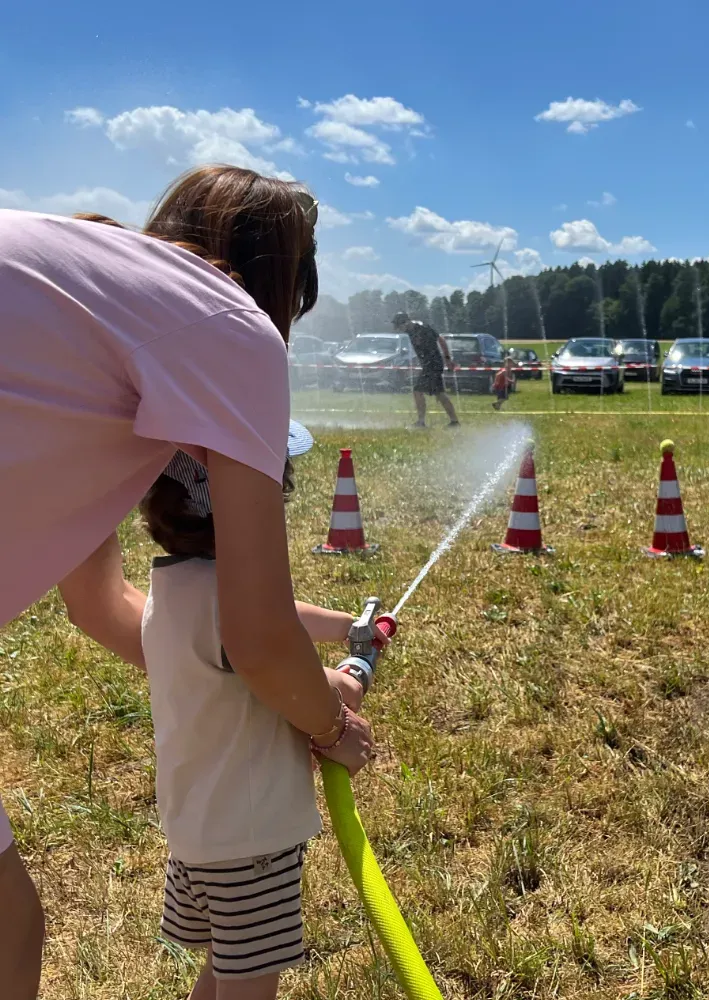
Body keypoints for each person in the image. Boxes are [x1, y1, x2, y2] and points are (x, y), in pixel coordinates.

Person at [0, 165, 373, 1000]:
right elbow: (258, 635)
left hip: (197, 832)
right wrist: (328, 719)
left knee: (9, 930)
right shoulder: (231, 328)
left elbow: (100, 605)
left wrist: (232, 674)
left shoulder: (93, 291)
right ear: (288, 285)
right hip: (246, 839)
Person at [140, 451, 374, 998]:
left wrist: (347, 625)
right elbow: (299, 677)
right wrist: (355, 673)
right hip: (250, 847)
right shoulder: (231, 607)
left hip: (197, 832)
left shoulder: (173, 591)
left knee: (227, 965)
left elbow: (276, 612)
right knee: (250, 984)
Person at [391, 311, 460, 428]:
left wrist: (448, 359)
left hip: (433, 364)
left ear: (406, 322)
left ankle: (421, 422)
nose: (399, 329)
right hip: (429, 365)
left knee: (418, 391)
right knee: (439, 394)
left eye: (399, 326)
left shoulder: (422, 328)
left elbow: (441, 340)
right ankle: (454, 422)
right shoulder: (410, 330)